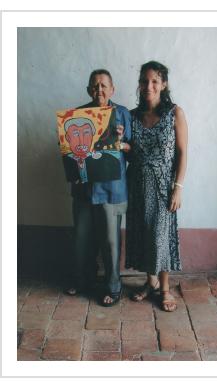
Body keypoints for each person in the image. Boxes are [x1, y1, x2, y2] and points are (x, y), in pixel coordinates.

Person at [125, 61, 188, 312]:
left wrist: (178, 187)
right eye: (144, 81)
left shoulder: (175, 113)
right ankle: (149, 282)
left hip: (163, 188)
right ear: (139, 84)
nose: (148, 86)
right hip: (137, 184)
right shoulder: (131, 116)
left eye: (154, 81)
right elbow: (131, 154)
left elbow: (183, 153)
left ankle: (165, 289)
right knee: (141, 233)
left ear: (164, 84)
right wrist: (122, 145)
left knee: (160, 236)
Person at [66, 69, 131, 307]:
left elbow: (134, 149)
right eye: (94, 86)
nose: (99, 90)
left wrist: (120, 142)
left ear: (112, 89)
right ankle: (83, 280)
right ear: (88, 90)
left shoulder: (122, 114)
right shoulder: (77, 116)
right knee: (82, 238)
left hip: (112, 189)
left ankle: (113, 287)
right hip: (84, 188)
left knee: (110, 241)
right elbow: (70, 150)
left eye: (104, 86)